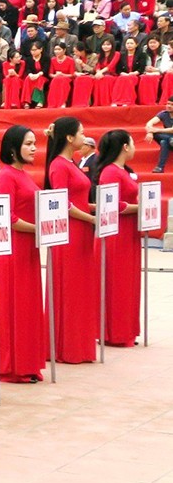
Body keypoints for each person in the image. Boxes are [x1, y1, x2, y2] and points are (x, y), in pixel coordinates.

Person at [44, 117, 100, 364]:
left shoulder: (72, 163)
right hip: (69, 235)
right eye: (81, 133)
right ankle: (66, 346)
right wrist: (90, 218)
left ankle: (79, 344)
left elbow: (76, 199)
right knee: (70, 288)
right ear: (69, 137)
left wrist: (95, 208)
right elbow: (62, 204)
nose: (84, 136)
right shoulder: (58, 165)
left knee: (81, 289)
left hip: (81, 231)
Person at [0, 126, 47, 383]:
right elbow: (8, 216)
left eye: (34, 143)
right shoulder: (6, 176)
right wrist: (37, 228)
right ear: (14, 148)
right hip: (14, 248)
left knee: (29, 307)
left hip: (30, 247)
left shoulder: (23, 174)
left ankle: (28, 362)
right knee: (15, 307)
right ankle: (13, 366)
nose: (34, 148)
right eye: (28, 143)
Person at [91, 130, 141, 347]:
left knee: (128, 283)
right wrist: (141, 207)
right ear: (125, 147)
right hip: (116, 233)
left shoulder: (124, 170)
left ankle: (126, 329)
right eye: (132, 142)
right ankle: (113, 331)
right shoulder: (110, 173)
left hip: (129, 231)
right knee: (117, 283)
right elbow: (113, 205)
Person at [146, 97, 173, 172]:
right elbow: (149, 123)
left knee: (163, 142)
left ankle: (160, 167)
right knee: (165, 140)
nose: (169, 106)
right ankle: (170, 140)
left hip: (170, 136)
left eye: (172, 105)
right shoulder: (163, 114)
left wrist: (156, 130)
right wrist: (150, 132)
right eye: (168, 104)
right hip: (170, 139)